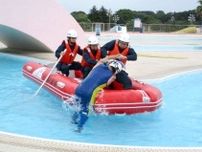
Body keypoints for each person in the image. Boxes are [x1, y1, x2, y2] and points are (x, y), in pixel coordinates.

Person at [70, 59, 125, 132]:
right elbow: (107, 84)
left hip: (79, 88)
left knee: (78, 105)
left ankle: (73, 120)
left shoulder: (98, 66)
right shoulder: (112, 77)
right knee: (86, 110)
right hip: (88, 93)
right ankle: (79, 128)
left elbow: (101, 60)